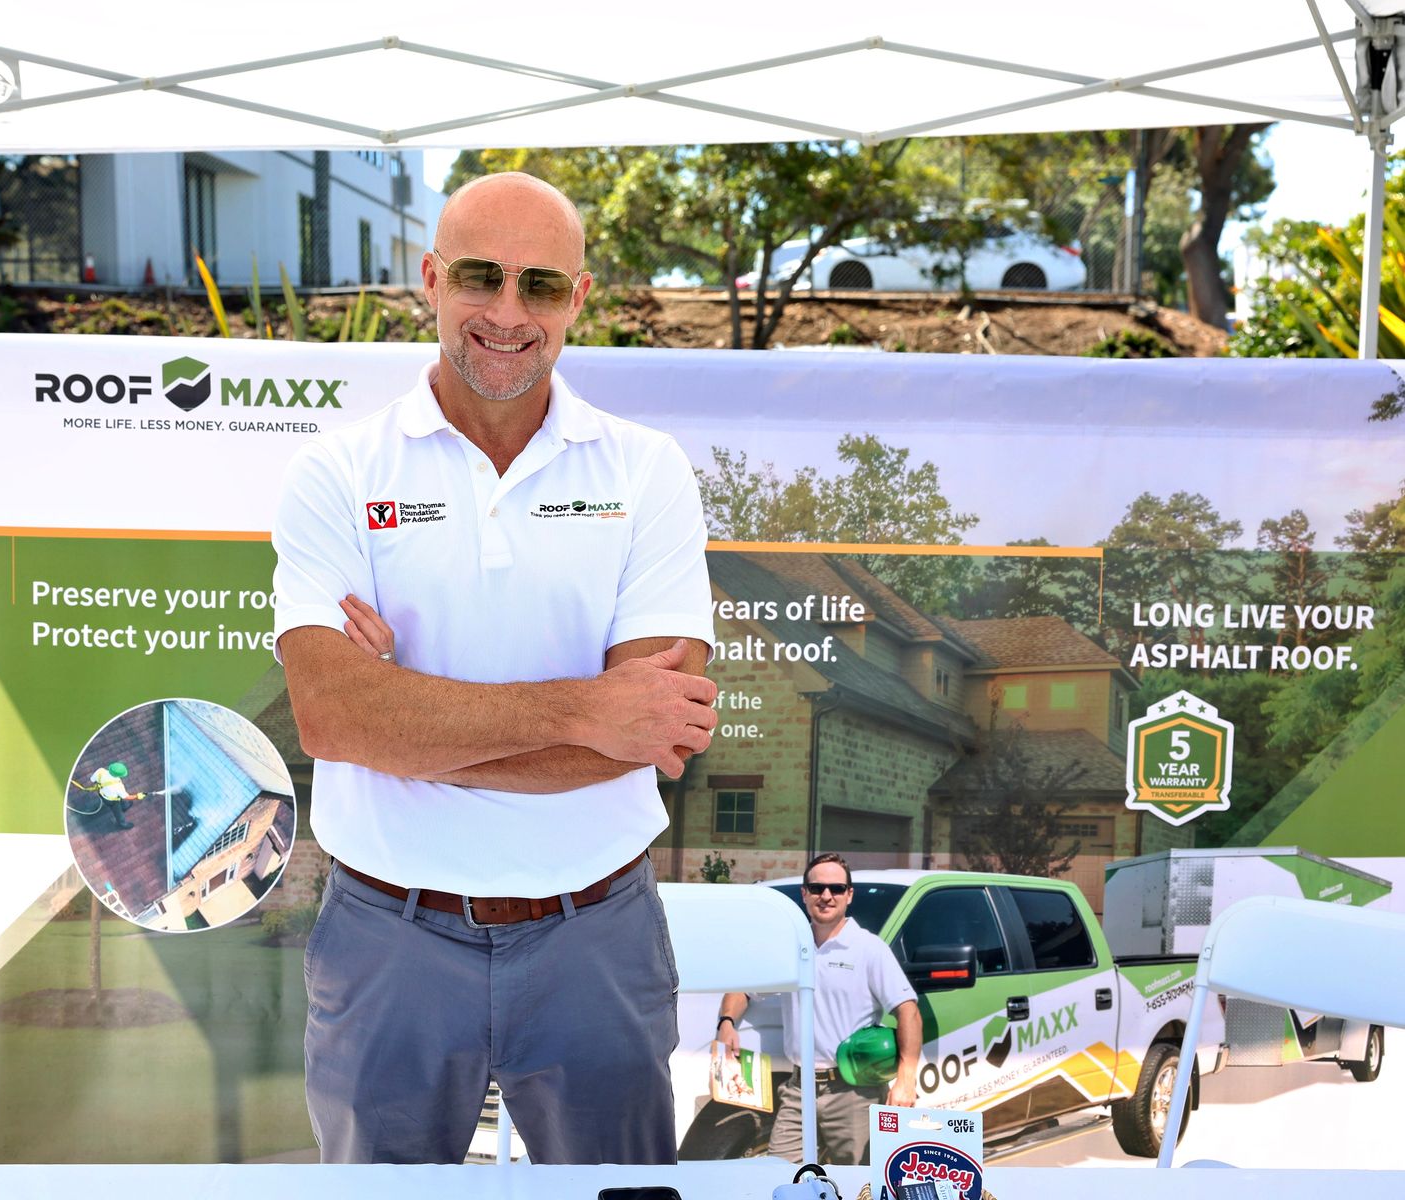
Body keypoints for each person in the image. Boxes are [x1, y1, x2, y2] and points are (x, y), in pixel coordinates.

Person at [271, 172, 718, 1165]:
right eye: (481, 276)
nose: (509, 313)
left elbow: (649, 730)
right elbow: (333, 719)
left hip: (594, 934)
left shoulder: (646, 469)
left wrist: (406, 720)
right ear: (431, 280)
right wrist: (585, 709)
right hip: (389, 937)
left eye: (541, 285)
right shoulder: (337, 473)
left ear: (578, 299)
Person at [716, 852, 922, 1166]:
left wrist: (906, 1079)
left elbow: (908, 1011)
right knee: (782, 1175)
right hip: (799, 1090)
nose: (826, 896)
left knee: (858, 1182)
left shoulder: (869, 949)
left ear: (849, 895)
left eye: (836, 889)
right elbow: (744, 986)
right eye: (817, 888)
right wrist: (727, 1022)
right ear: (805, 894)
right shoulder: (792, 949)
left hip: (855, 1092)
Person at [69, 761, 145, 830]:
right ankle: (122, 824)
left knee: (114, 800)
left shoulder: (100, 771)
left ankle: (124, 806)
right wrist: (137, 796)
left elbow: (92, 780)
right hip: (113, 801)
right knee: (118, 812)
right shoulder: (118, 786)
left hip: (102, 794)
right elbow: (126, 797)